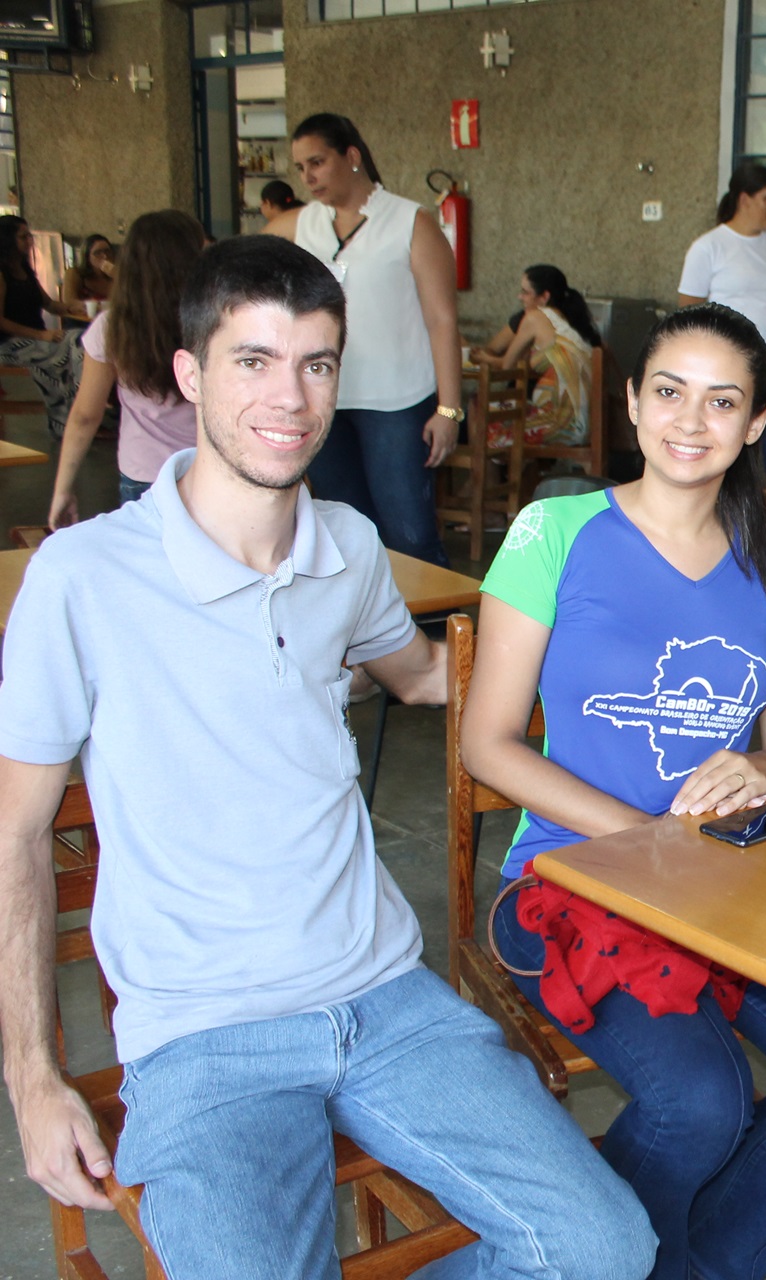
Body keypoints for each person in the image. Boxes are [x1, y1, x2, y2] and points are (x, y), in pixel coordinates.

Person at [0, 234, 655, 1279]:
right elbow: (18, 834)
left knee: (604, 1248)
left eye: (316, 363)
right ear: (189, 373)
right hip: (205, 1035)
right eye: (253, 360)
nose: (290, 397)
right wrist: (32, 1080)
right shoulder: (80, 578)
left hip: (385, 997)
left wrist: (597, 653)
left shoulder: (346, 546)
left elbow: (424, 675)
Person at [466, 302, 766, 1280]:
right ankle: (602, 1257)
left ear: (756, 422)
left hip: (728, 885)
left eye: (722, 401)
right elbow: (486, 744)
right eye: (670, 391)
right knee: (700, 1103)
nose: (691, 419)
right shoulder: (556, 530)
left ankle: (684, 1264)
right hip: (568, 882)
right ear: (632, 400)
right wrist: (642, 838)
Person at [269, 112, 458, 567]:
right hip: (324, 400)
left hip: (397, 402)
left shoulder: (409, 221)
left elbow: (442, 319)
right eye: (300, 168)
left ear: (351, 156)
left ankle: (437, 615)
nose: (308, 177)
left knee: (410, 537)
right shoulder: (300, 225)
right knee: (346, 535)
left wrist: (449, 409)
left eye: (317, 162)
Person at [47, 210, 205, 525]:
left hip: (143, 473)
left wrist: (62, 489)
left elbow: (85, 416)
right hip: (210, 471)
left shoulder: (112, 327)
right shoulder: (217, 320)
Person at [678, 162, 766, 409]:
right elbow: (687, 312)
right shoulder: (708, 247)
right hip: (726, 360)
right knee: (730, 430)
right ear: (745, 200)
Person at [471, 263, 601, 449]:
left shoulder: (534, 318)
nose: (520, 297)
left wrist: (483, 358)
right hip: (585, 424)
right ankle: (512, 467)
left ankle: (482, 467)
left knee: (480, 408)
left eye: (525, 292)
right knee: (505, 409)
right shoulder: (568, 326)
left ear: (544, 297)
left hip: (560, 423)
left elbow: (506, 366)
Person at [0, 214, 81, 438]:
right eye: (23, 237)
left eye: (30, 236)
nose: (30, 241)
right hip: (10, 343)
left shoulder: (25, 270)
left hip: (36, 338)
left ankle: (78, 410)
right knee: (63, 353)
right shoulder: (2, 275)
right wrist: (40, 335)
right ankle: (67, 419)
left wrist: (72, 307)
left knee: (80, 339)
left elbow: (49, 304)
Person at [58, 234, 114, 320]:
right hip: (82, 321)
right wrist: (95, 306)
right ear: (87, 256)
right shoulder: (75, 273)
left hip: (110, 320)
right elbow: (69, 301)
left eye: (107, 251)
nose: (105, 256)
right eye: (97, 253)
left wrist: (117, 275)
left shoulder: (116, 273)